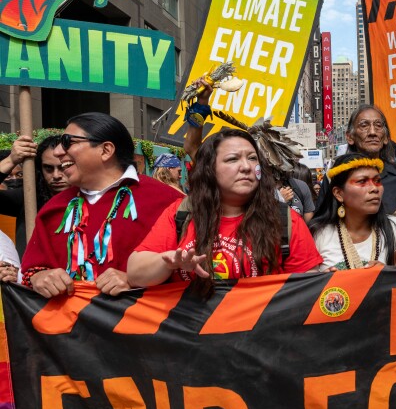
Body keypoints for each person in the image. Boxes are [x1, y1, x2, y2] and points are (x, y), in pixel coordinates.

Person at [128, 130, 322, 295]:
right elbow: (135, 273)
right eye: (232, 159)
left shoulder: (285, 220)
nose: (246, 167)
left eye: (253, 158)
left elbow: (305, 293)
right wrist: (169, 263)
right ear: (209, 169)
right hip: (193, 335)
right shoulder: (181, 213)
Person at [20, 114, 182, 298]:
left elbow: (190, 270)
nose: (57, 152)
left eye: (67, 142)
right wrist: (41, 277)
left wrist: (137, 279)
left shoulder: (168, 201)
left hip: (141, 323)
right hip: (66, 324)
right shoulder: (53, 208)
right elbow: (31, 270)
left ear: (106, 150)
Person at [310, 153, 396, 271]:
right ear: (338, 194)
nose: (374, 188)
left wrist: (386, 277)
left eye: (377, 181)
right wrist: (324, 282)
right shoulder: (318, 234)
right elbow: (308, 286)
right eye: (362, 181)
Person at [333, 105, 396, 213]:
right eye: (364, 125)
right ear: (350, 137)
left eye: (378, 125)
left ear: (386, 138)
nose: (372, 132)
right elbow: (322, 223)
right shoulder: (335, 176)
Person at [0, 135, 72, 257]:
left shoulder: (93, 199)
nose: (56, 175)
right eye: (48, 168)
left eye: (63, 167)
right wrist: (11, 160)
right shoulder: (28, 198)